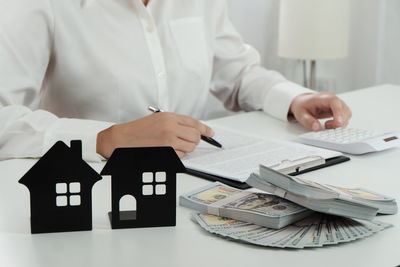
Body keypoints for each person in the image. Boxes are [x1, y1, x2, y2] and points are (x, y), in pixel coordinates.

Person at [0, 0, 351, 161]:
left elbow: (237, 73)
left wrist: (293, 98)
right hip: (88, 196)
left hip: (196, 187)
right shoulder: (37, 5)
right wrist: (107, 139)